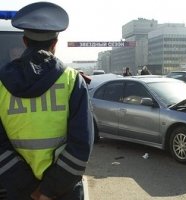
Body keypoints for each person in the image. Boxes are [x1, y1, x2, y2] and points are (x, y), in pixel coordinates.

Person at [0, 2, 93, 200]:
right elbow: (81, 145)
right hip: (63, 192)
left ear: (24, 42)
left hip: (16, 191)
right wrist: (48, 191)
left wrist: (31, 190)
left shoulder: (0, 84)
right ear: (54, 44)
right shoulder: (72, 81)